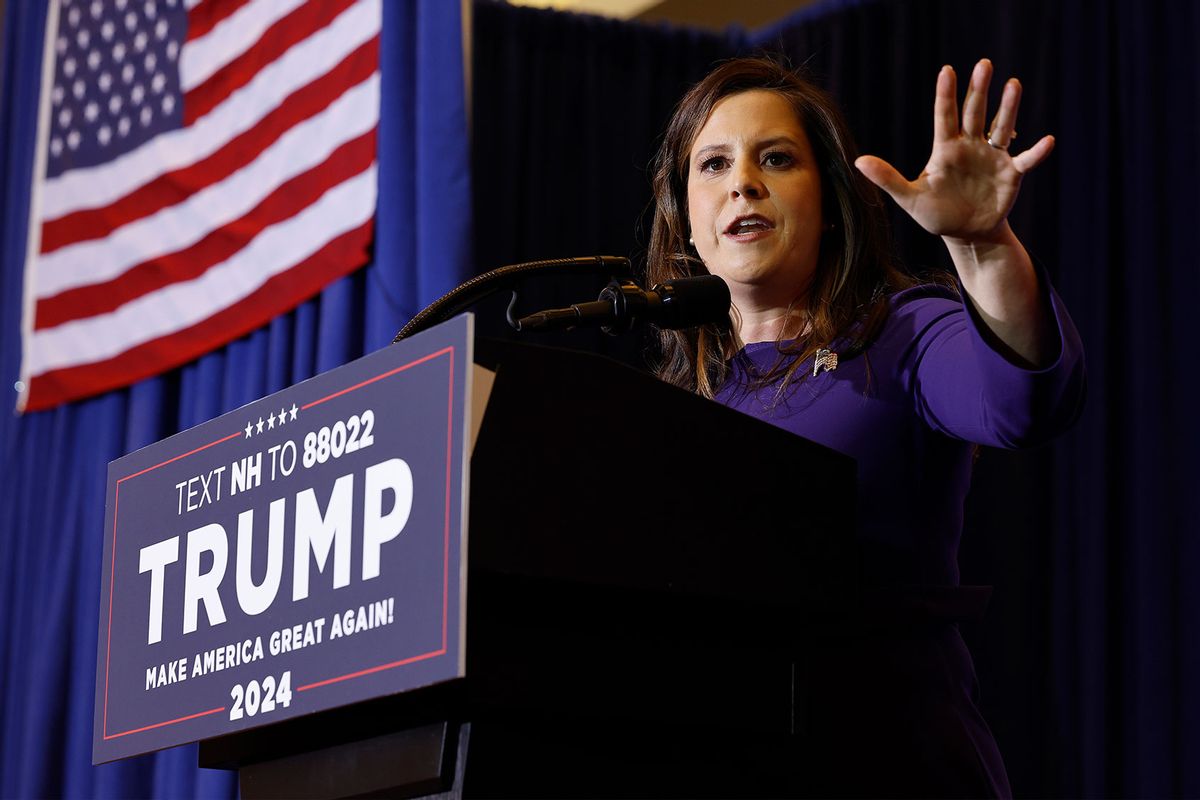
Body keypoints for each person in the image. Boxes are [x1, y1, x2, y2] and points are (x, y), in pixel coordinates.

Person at [645, 57, 1085, 797]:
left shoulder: (902, 335)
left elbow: (1021, 398)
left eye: (776, 159)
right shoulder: (675, 408)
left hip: (891, 762)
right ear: (686, 221)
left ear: (830, 201)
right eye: (713, 165)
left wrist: (983, 248)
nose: (742, 183)